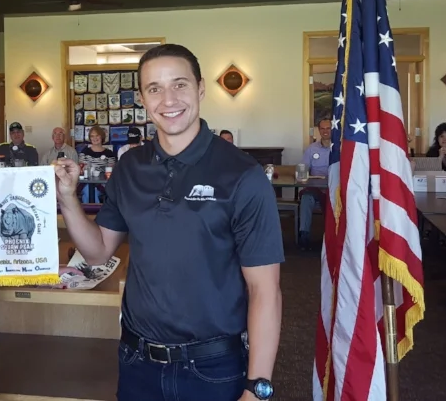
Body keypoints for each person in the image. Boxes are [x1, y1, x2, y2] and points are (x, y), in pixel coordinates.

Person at [55, 44, 282, 401]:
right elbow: (98, 253)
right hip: (137, 362)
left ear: (200, 89)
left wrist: (257, 388)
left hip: (212, 368)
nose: (168, 100)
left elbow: (264, 290)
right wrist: (68, 198)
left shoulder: (242, 174)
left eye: (179, 84)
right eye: (154, 89)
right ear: (142, 99)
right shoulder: (130, 168)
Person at [297, 118, 332, 250]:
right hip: (315, 188)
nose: (325, 131)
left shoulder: (341, 147)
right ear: (319, 130)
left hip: (334, 188)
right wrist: (303, 174)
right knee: (306, 198)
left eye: (328, 128)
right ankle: (304, 236)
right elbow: (302, 170)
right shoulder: (312, 149)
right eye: (322, 128)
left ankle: (331, 239)